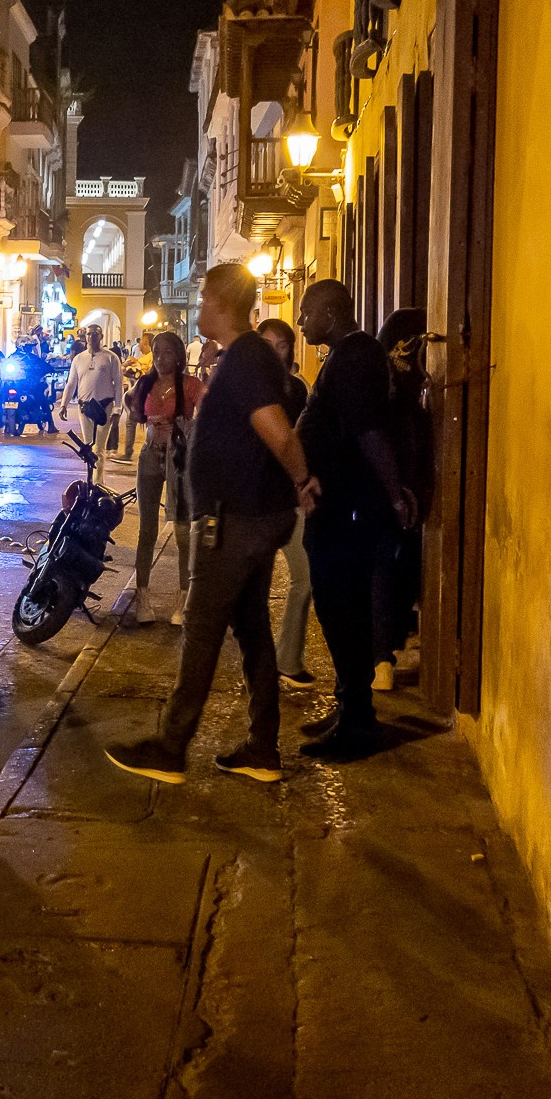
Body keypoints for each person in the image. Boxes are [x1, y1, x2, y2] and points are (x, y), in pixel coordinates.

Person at [104, 263, 315, 786]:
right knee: (251, 627)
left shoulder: (245, 358)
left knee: (201, 628)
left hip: (236, 518)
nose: (198, 307)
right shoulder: (244, 358)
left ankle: (171, 746)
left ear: (221, 302)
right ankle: (262, 749)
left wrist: (302, 480)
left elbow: (279, 434)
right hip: (247, 515)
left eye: (202, 298)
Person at [296, 279, 418, 758]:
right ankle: (351, 706)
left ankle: (359, 723)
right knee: (338, 607)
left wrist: (393, 495)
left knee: (342, 608)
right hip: (340, 504)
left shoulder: (353, 356)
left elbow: (367, 433)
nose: (303, 323)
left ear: (328, 312)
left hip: (349, 506)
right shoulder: (350, 354)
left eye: (307, 313)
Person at [371, 306, 432, 690]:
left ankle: (383, 655)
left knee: (388, 568)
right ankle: (383, 654)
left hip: (394, 485)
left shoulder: (384, 382)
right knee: (389, 567)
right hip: (395, 485)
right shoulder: (400, 397)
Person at [126, 331, 204, 626]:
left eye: (167, 353)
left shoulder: (190, 385)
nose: (160, 358)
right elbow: (132, 409)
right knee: (147, 529)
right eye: (156, 352)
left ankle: (183, 597)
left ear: (179, 356)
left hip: (179, 461)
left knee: (182, 530)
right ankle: (142, 595)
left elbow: (209, 411)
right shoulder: (145, 384)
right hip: (150, 456)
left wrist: (184, 426)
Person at [257, 318, 315, 688]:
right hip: (256, 500)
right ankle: (259, 666)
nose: (276, 352)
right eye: (268, 345)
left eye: (283, 345)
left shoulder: (297, 389)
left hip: (291, 498)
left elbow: (301, 439)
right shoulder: (247, 388)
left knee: (305, 578)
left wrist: (303, 479)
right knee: (252, 590)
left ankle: (288, 659)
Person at [60, 322, 124, 471]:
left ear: (101, 337)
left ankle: (97, 484)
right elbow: (71, 384)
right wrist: (64, 404)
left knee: (98, 450)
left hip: (104, 407)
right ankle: (91, 483)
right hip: (85, 407)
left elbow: (118, 384)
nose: (92, 337)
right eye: (89, 334)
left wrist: (117, 408)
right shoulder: (79, 359)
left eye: (95, 334)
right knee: (88, 448)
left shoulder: (111, 358)